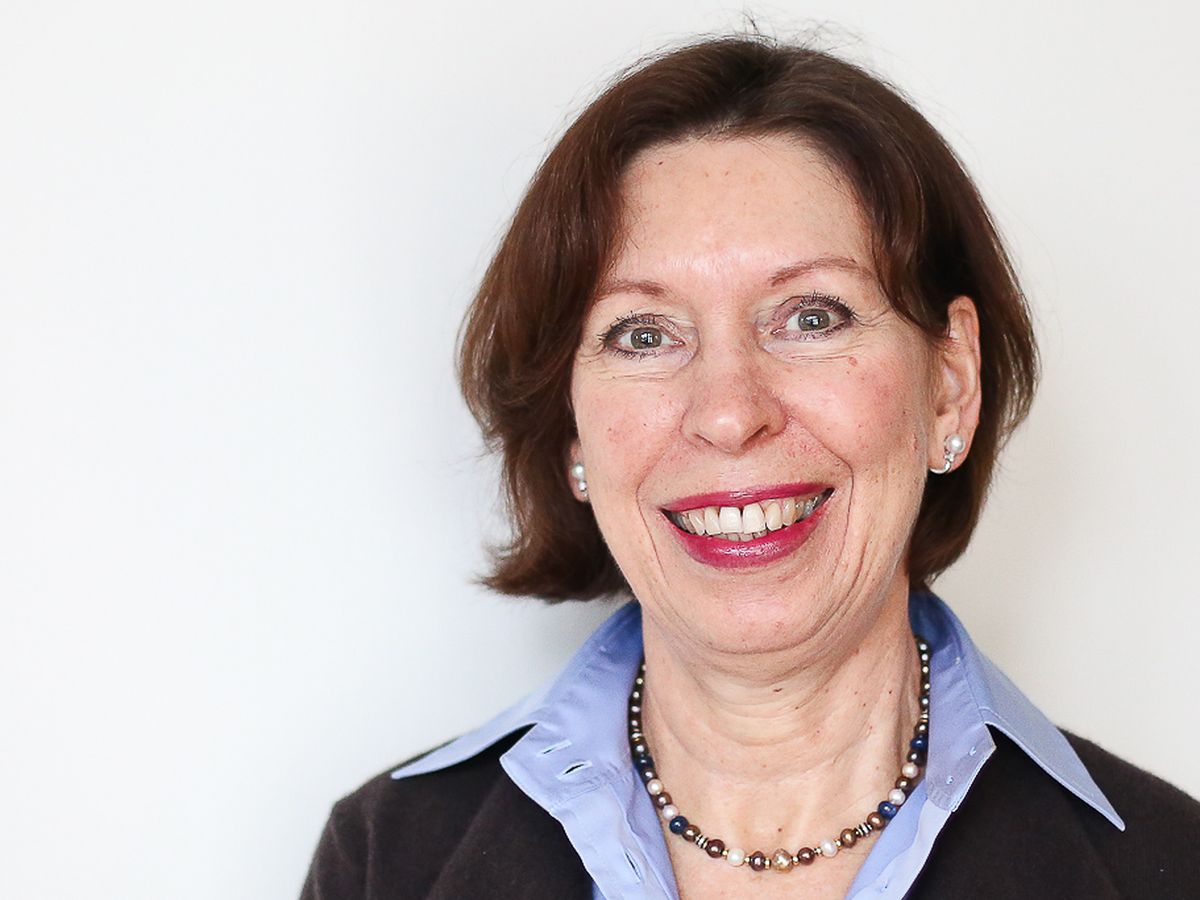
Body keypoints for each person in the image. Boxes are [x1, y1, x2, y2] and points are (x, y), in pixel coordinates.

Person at [301, 35, 1200, 899]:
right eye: (643, 335)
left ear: (948, 387)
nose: (730, 414)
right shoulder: (387, 863)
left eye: (811, 317)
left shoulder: (1172, 867)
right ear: (571, 431)